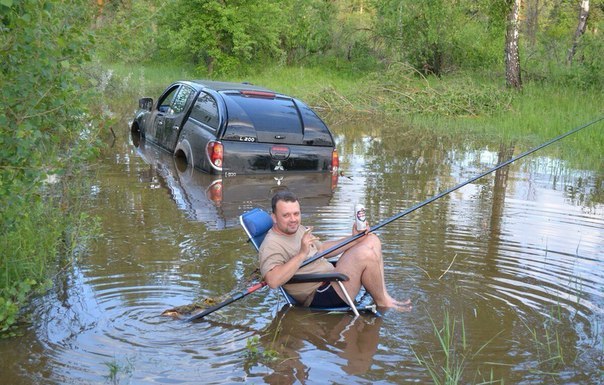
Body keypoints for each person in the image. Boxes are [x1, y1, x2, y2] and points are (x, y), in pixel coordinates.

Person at [258, 190, 410, 310]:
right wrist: (302, 253)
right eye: (286, 215)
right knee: (365, 254)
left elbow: (322, 249)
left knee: (371, 239)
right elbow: (272, 281)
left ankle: (384, 296)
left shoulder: (297, 229)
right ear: (274, 217)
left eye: (296, 213)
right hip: (320, 294)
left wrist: (354, 238)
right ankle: (383, 303)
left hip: (331, 277)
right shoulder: (271, 244)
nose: (293, 219)